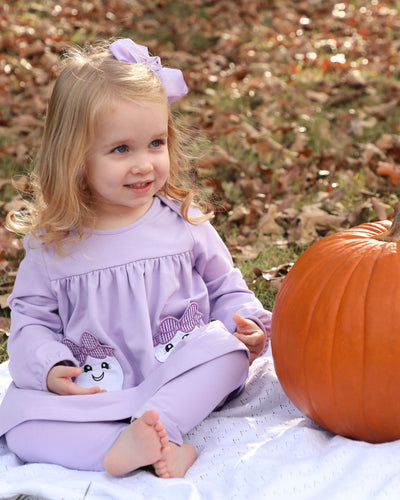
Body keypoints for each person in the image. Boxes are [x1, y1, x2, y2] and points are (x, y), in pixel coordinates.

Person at [0, 38, 272, 478]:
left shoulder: (184, 222)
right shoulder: (54, 243)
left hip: (179, 371)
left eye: (155, 143)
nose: (144, 164)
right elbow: (31, 317)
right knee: (24, 432)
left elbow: (226, 284)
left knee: (228, 353)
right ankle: (136, 446)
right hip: (95, 383)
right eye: (121, 150)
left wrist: (247, 321)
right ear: (75, 158)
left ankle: (164, 426)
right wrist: (48, 365)